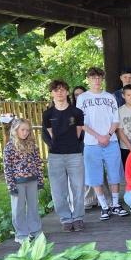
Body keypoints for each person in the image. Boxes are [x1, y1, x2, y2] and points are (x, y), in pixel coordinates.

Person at [76, 67, 128, 221]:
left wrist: (108, 135)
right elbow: (81, 122)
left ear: (102, 79)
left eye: (99, 78)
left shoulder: (110, 97)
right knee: (95, 176)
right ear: (88, 80)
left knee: (114, 174)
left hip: (111, 141)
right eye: (93, 78)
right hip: (92, 143)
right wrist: (98, 136)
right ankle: (104, 206)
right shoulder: (82, 98)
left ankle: (116, 204)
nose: (97, 81)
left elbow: (116, 120)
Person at [42, 79, 85, 232]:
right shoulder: (47, 114)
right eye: (56, 90)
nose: (59, 92)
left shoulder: (77, 112)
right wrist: (56, 146)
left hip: (74, 155)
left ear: (67, 92)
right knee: (58, 191)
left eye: (62, 89)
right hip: (55, 156)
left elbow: (79, 133)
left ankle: (78, 218)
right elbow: (47, 135)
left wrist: (73, 145)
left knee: (78, 188)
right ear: (52, 93)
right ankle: (66, 219)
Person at [3, 118, 44, 243]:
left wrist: (40, 180)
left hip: (32, 181)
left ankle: (35, 231)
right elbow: (7, 167)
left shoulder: (32, 145)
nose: (25, 132)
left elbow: (38, 163)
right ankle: (21, 235)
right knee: (18, 209)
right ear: (15, 130)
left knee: (33, 207)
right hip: (17, 183)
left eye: (27, 130)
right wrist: (11, 186)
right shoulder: (9, 147)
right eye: (23, 130)